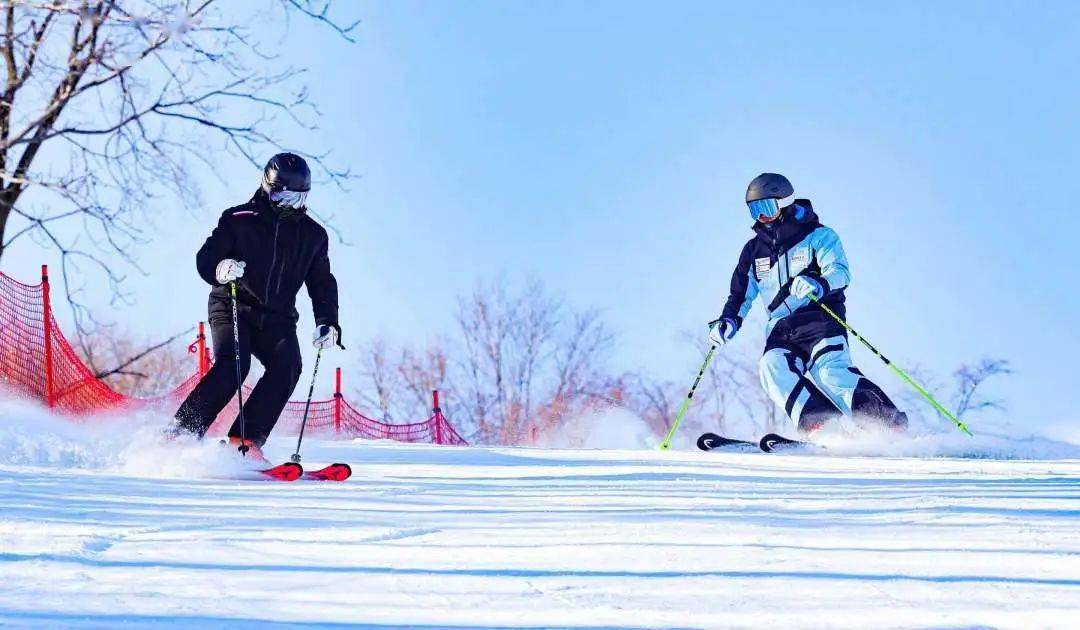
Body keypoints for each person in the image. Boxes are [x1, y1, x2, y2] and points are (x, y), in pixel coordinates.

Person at [171, 153, 343, 459]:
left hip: (277, 317)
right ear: (269, 188)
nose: (290, 204)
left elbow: (322, 282)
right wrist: (219, 269)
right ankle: (180, 435)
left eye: (298, 198)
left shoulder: (313, 236)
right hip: (233, 304)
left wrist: (328, 320)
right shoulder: (238, 219)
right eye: (283, 195)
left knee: (288, 366)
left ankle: (245, 441)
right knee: (233, 366)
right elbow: (206, 258)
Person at [709, 173, 906, 436]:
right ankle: (824, 426)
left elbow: (840, 272)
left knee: (830, 373)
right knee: (772, 367)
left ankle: (887, 424)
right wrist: (729, 319)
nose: (761, 216)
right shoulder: (754, 250)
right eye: (754, 210)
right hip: (781, 328)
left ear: (784, 202)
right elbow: (740, 294)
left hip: (820, 320)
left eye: (766, 207)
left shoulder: (819, 236)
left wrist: (819, 284)